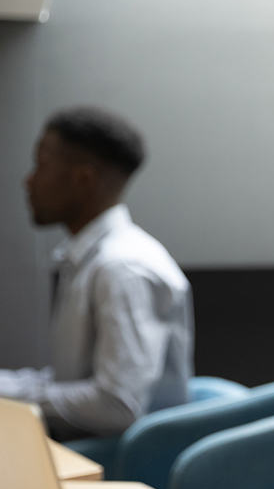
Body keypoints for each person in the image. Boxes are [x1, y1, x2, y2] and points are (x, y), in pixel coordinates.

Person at [0, 107, 193, 440]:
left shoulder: (122, 269)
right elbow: (72, 381)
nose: (28, 180)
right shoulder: (93, 261)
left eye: (41, 166)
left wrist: (13, 399)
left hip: (124, 469)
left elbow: (118, 404)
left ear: (83, 181)